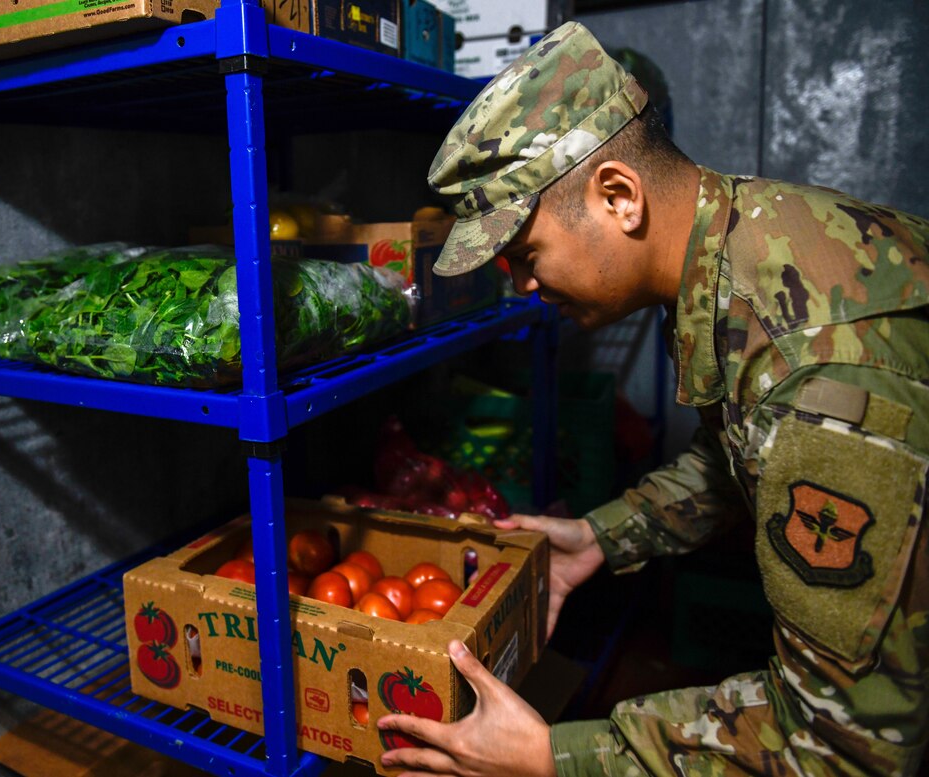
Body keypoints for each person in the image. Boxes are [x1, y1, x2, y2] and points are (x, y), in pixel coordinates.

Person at [375, 19, 929, 777]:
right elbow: (739, 451)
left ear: (617, 196)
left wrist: (552, 756)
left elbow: (843, 748)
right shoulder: (739, 239)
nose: (523, 287)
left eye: (525, 254)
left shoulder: (814, 372)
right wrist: (603, 537)